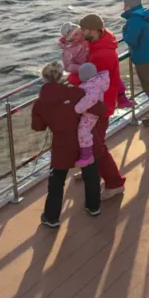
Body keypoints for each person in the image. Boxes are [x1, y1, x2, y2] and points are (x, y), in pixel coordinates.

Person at [31, 62, 104, 225]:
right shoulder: (77, 93)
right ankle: (93, 207)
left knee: (57, 180)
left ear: (43, 79)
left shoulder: (39, 104)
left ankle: (52, 217)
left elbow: (38, 127)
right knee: (91, 173)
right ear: (61, 77)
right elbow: (100, 109)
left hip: (62, 145)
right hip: (85, 140)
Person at [68, 14, 126, 199]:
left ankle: (115, 183)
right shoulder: (101, 42)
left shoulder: (102, 54)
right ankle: (89, 171)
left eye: (84, 30)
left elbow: (91, 79)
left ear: (93, 30)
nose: (81, 33)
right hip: (97, 101)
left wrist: (70, 79)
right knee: (89, 140)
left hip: (99, 105)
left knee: (96, 146)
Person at [61, 21, 132, 109]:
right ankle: (94, 108)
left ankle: (121, 98)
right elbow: (67, 66)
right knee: (93, 91)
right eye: (72, 37)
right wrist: (81, 67)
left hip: (96, 63)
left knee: (114, 78)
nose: (77, 37)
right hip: (85, 72)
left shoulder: (86, 38)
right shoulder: (68, 51)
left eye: (77, 33)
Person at [72, 63, 109, 167]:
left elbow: (89, 100)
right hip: (92, 112)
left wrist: (78, 109)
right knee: (85, 131)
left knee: (83, 132)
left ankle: (87, 156)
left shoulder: (91, 87)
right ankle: (86, 154)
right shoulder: (96, 83)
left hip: (90, 114)